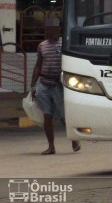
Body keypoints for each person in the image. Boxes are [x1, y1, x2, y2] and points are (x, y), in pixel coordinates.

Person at [31, 17, 80, 155]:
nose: (48, 32)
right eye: (46, 29)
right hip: (44, 84)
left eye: (51, 29)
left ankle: (74, 139)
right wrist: (32, 86)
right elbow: (38, 66)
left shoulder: (65, 44)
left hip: (59, 85)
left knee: (64, 117)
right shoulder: (42, 46)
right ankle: (51, 146)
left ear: (58, 29)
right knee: (47, 116)